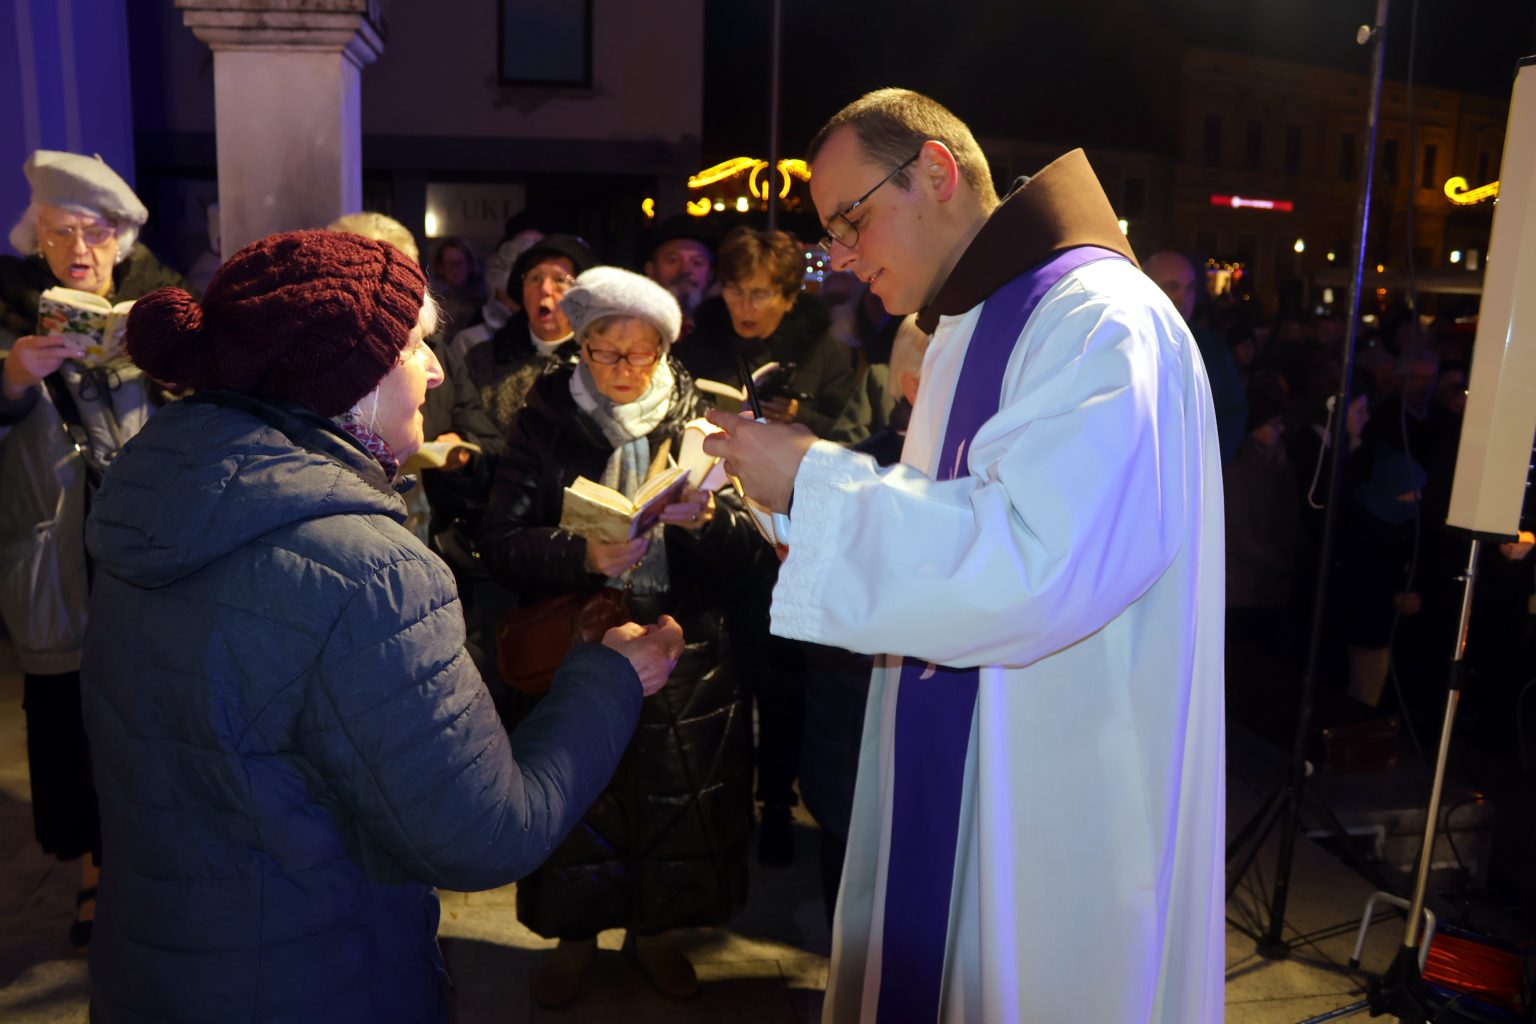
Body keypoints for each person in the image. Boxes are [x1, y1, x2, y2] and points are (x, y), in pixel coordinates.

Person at [703, 88, 1225, 1022]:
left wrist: (818, 482)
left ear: (936, 173)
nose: (844, 258)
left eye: (851, 221)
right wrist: (777, 502)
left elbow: (1038, 559)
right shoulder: (971, 322)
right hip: (971, 743)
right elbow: (945, 515)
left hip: (1054, 779)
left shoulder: (1100, 320)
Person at [79, 230, 682, 1022]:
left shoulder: (151, 503)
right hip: (317, 983)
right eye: (416, 346)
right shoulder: (369, 570)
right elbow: (486, 832)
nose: (436, 370)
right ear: (351, 381)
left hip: (155, 973)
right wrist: (612, 676)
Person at [478, 266, 761, 1008]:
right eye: (605, 353)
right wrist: (581, 555)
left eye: (642, 354)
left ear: (666, 351)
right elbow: (499, 539)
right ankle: (578, 937)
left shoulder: (705, 423)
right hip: (577, 641)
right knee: (579, 799)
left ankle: (656, 935)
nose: (625, 371)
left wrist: (709, 524)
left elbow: (754, 555)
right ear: (581, 348)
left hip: (683, 639)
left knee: (677, 804)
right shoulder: (541, 418)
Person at [0, 149, 191, 951]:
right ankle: (90, 871)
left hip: (151, 568)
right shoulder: (9, 326)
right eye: (60, 233)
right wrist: (10, 380)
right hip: (57, 565)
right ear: (36, 242)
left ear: (121, 241)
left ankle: (154, 866)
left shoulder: (165, 321)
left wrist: (169, 374)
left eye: (95, 233)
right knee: (68, 726)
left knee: (153, 720)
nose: (79, 249)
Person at [680, 226, 857, 438]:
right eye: (736, 291)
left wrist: (799, 416)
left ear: (789, 298)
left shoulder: (819, 350)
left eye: (759, 294)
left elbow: (851, 433)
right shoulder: (699, 344)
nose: (745, 305)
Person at [462, 233, 595, 437]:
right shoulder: (482, 360)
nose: (545, 289)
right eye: (535, 278)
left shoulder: (598, 359)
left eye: (560, 280)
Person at [1145, 249, 1248, 465]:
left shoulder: (1210, 347)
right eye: (1172, 287)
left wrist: (1205, 464)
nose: (1184, 298)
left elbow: (1233, 412)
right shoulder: (1125, 343)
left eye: (1190, 288)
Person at [644, 214, 714, 330]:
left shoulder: (725, 330)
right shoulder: (635, 326)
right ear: (651, 270)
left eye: (697, 262)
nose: (686, 270)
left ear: (710, 274)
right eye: (673, 260)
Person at [427, 234, 486, 332]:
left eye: (459, 263)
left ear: (470, 264)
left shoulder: (482, 301)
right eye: (449, 264)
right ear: (440, 267)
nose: (455, 269)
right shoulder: (433, 304)